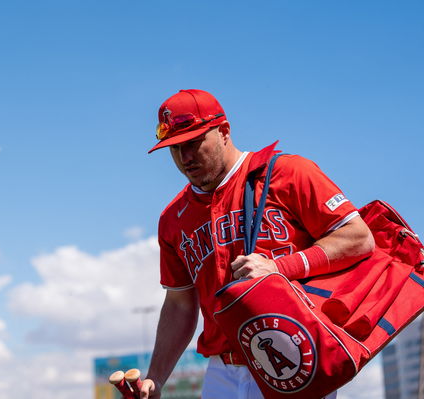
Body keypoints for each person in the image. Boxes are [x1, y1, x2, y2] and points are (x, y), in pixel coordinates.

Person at [140, 89, 375, 399]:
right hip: (221, 371)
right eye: (174, 148)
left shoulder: (286, 172)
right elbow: (181, 303)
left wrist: (279, 267)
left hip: (291, 358)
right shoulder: (172, 219)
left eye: (193, 144)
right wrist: (155, 379)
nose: (185, 158)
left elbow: (358, 238)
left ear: (223, 132)